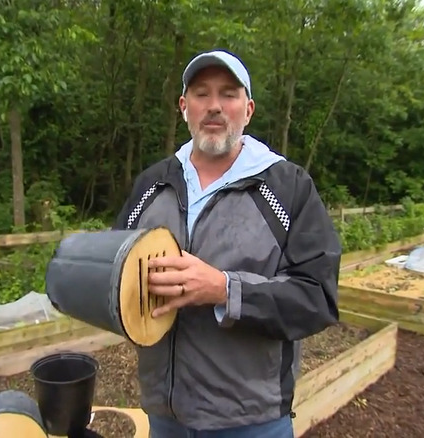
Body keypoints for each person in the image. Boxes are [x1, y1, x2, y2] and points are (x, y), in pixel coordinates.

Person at [113, 49, 342, 438]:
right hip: (164, 417)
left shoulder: (288, 188)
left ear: (248, 109)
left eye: (229, 94)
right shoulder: (151, 184)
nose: (214, 106)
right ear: (184, 107)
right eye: (202, 94)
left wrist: (224, 289)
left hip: (251, 421)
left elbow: (318, 298)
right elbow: (114, 270)